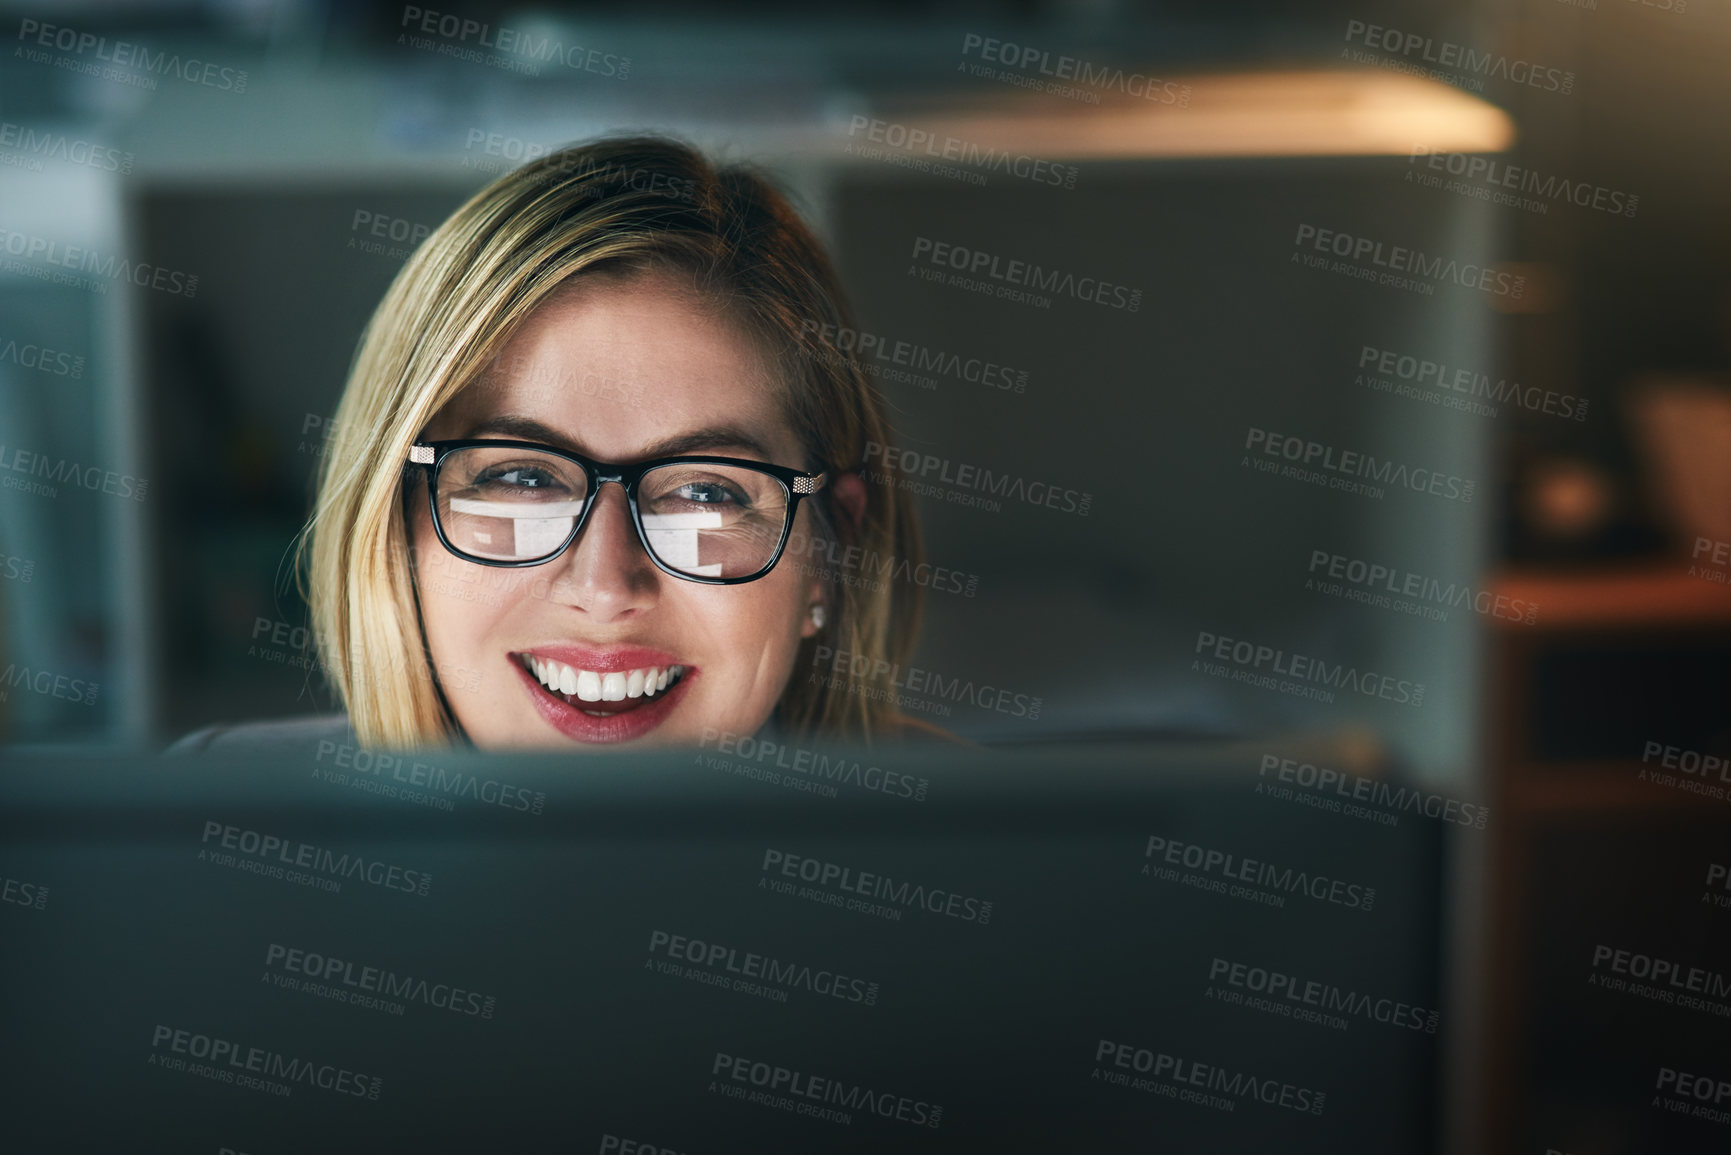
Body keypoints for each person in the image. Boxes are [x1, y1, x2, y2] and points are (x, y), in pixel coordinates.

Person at [172, 134, 960, 754]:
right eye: (519, 479)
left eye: (707, 491)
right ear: (392, 527)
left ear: (829, 554)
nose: (607, 586)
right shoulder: (205, 839)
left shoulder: (1003, 874)